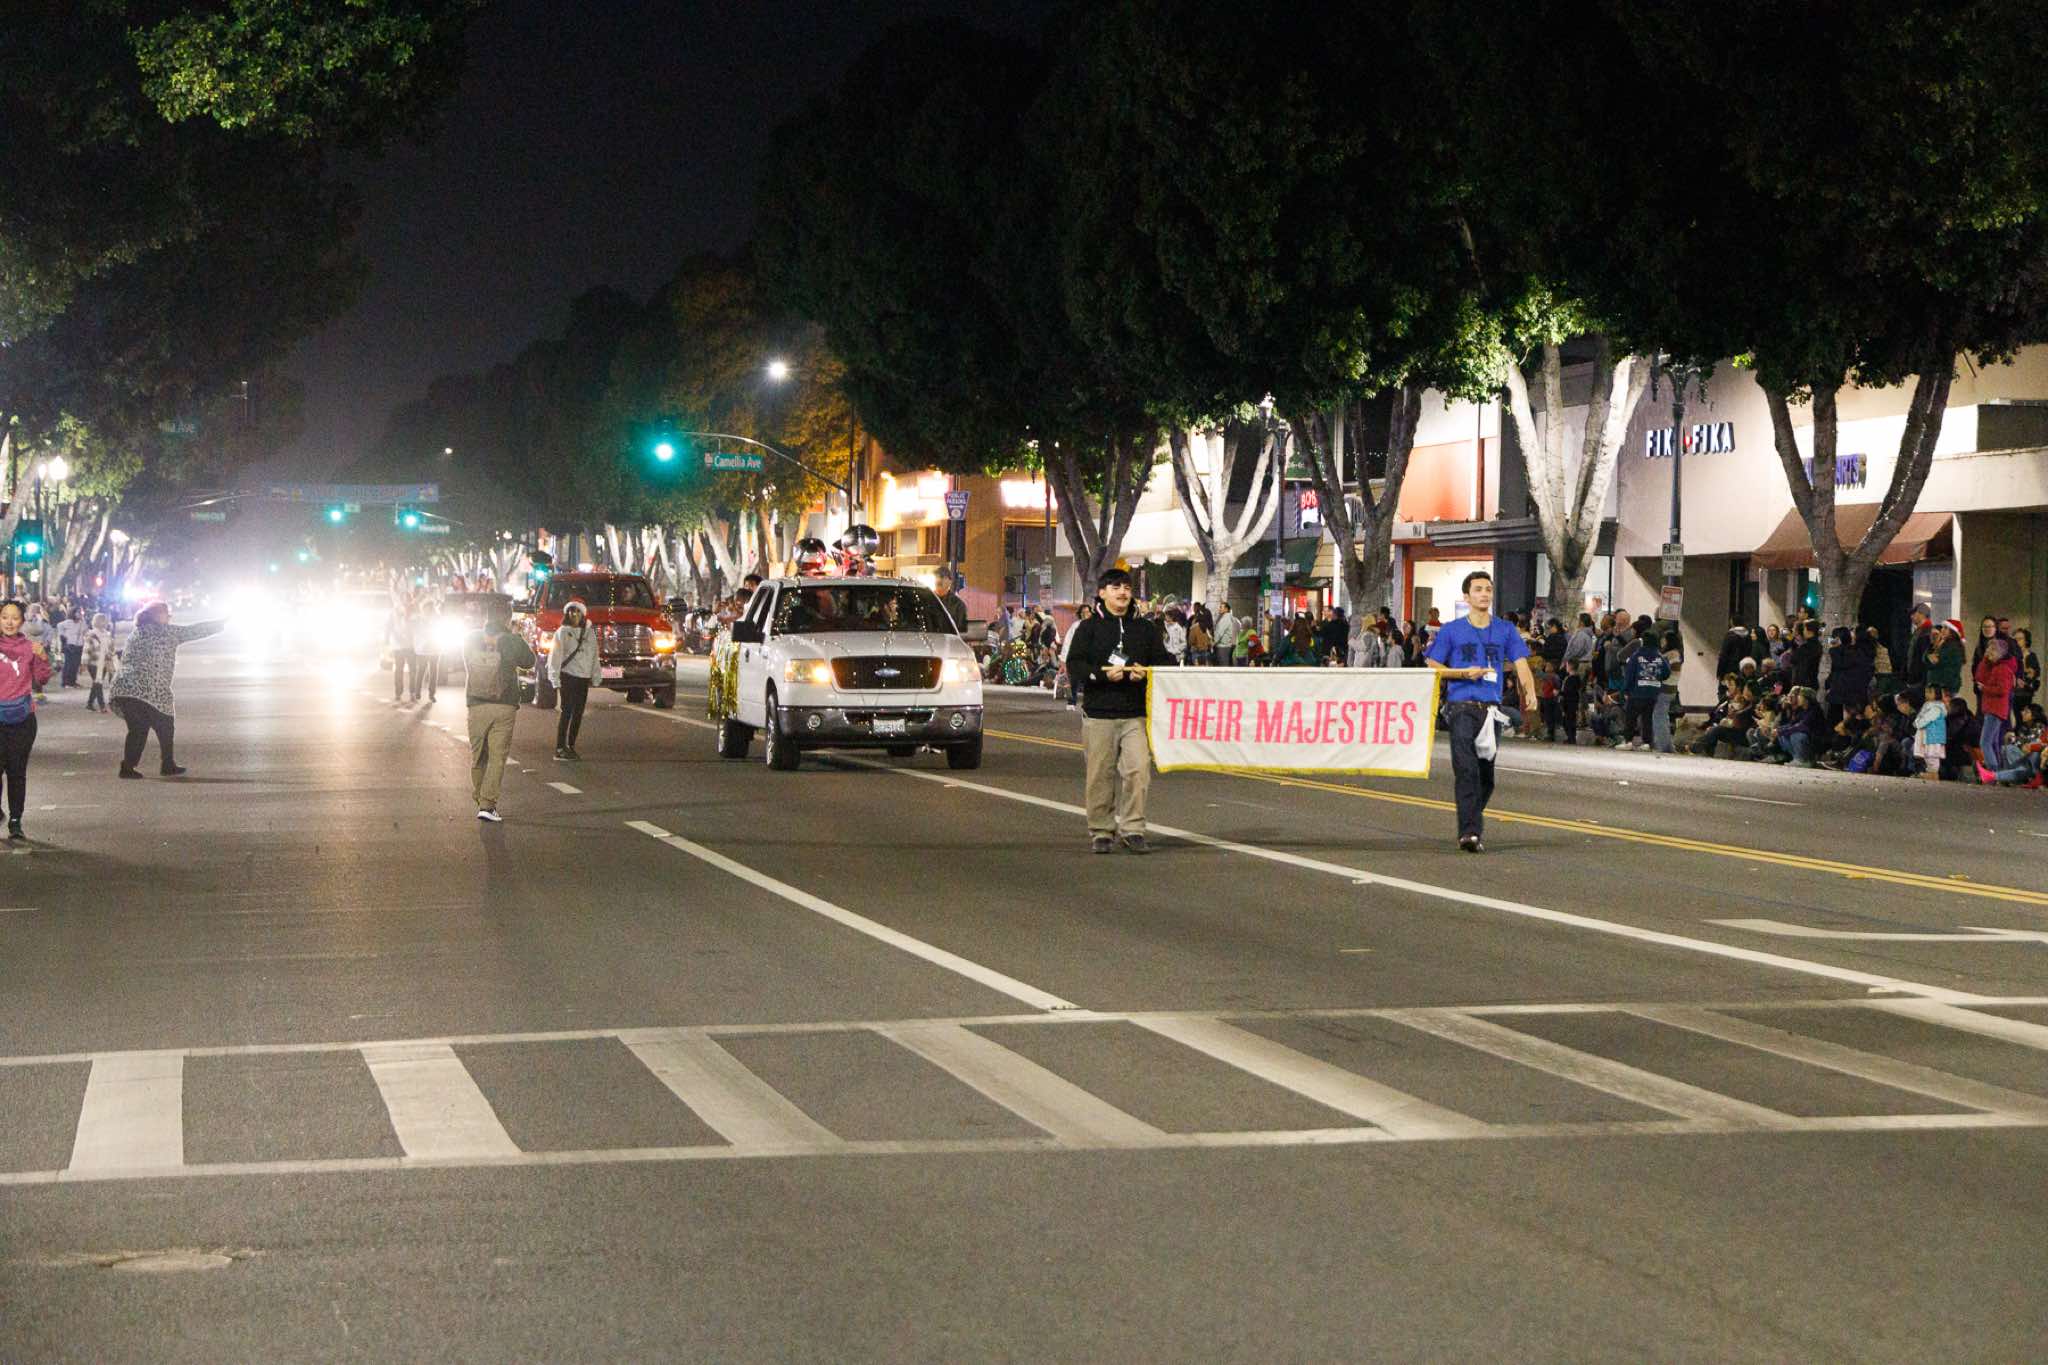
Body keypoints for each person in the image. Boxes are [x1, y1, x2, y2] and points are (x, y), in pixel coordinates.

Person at [1426, 570, 1536, 854]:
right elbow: (1433, 666)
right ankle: (1470, 833)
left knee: (1486, 777)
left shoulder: (1505, 629)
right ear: (1467, 596)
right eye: (1478, 589)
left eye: (1488, 589)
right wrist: (1463, 673)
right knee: (1466, 769)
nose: (1484, 594)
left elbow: (1521, 663)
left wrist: (1530, 691)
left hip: (1491, 711)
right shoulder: (1451, 630)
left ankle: (1470, 817)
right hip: (1460, 708)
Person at [1066, 568, 1172, 854]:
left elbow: (1165, 663)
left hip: (1135, 714)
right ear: (1102, 593)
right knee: (1100, 775)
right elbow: (1075, 665)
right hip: (1099, 714)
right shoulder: (1088, 628)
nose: (1122, 592)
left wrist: (1146, 673)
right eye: (1115, 587)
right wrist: (1101, 676)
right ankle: (1101, 831)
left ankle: (1133, 829)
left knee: (1139, 771)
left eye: (1126, 587)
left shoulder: (1146, 629)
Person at [108, 602, 225, 778]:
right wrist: (219, 624)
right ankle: (167, 764)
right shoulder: (166, 632)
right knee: (165, 725)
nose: (169, 617)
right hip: (150, 690)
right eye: (167, 614)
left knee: (138, 729)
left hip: (124, 688)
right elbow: (193, 631)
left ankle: (128, 767)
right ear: (156, 615)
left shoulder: (137, 632)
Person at [463, 598, 536, 822]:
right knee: (497, 756)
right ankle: (487, 805)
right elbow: (529, 661)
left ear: (487, 616)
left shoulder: (471, 638)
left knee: (478, 756)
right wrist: (516, 637)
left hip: (476, 704)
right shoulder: (513, 641)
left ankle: (480, 798)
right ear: (507, 617)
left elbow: (467, 662)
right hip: (504, 704)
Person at [0, 600, 54, 839]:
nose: (9, 622)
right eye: (4, 617)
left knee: (16, 772)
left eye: (14, 617)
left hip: (22, 719)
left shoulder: (30, 647)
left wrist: (42, 657)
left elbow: (42, 679)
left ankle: (15, 821)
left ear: (22, 621)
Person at [548, 599, 600, 761]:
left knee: (578, 713)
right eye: (571, 611)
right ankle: (560, 747)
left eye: (577, 611)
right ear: (567, 614)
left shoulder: (590, 633)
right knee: (567, 712)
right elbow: (555, 656)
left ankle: (571, 745)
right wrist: (554, 678)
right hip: (568, 676)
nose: (574, 614)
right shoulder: (562, 632)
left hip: (583, 678)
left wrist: (596, 675)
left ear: (583, 614)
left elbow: (594, 656)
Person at [1973, 634, 2018, 762]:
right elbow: (1979, 677)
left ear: (2000, 653)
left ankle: (1993, 770)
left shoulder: (2003, 669)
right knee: (1993, 742)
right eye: (1988, 649)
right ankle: (1997, 769)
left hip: (1995, 709)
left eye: (1992, 649)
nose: (1988, 652)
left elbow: (2003, 690)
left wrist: (1985, 689)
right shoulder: (1994, 667)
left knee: (1985, 743)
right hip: (1991, 708)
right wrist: (1985, 660)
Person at [83, 612, 117, 712]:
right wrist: (84, 662)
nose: (105, 623)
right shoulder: (91, 634)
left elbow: (111, 648)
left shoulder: (107, 634)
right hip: (94, 662)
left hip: (104, 662)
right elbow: (86, 649)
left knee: (97, 683)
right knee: (98, 683)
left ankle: (89, 703)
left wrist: (113, 659)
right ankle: (102, 706)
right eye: (104, 621)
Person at [1926, 618, 1967, 695]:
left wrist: (1934, 660)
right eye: (1943, 627)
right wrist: (1932, 648)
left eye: (1946, 628)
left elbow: (1939, 663)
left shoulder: (1953, 647)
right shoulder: (1941, 644)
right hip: (1938, 686)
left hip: (1945, 688)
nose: (1942, 630)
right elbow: (1927, 660)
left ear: (1952, 632)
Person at [57, 606, 85, 689]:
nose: (80, 614)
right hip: (69, 645)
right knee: (68, 664)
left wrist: (83, 620)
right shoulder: (68, 622)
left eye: (81, 612)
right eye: (78, 612)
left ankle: (73, 681)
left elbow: (86, 630)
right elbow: (59, 625)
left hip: (79, 645)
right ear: (73, 613)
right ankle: (65, 682)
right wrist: (63, 635)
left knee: (76, 664)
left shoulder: (82, 623)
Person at [933, 568, 967, 634]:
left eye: (943, 577)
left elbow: (961, 630)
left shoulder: (958, 605)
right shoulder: (926, 600)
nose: (939, 580)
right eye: (937, 577)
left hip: (948, 638)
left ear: (950, 582)